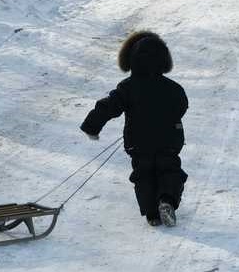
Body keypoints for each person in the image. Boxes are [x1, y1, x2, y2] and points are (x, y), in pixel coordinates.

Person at [80, 31, 188, 227]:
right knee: (169, 169)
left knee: (143, 174)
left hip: (139, 141)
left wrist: (92, 125)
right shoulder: (173, 88)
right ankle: (167, 200)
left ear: (131, 60)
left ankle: (152, 214)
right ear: (164, 60)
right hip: (169, 139)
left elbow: (109, 106)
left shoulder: (127, 87)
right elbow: (182, 106)